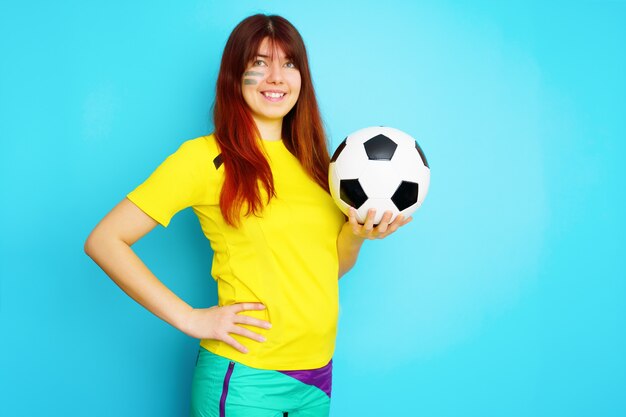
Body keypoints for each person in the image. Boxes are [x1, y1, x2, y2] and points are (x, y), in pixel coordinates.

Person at [84, 14, 411, 417]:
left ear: (302, 79)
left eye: (289, 64)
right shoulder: (204, 158)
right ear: (234, 77)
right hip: (246, 377)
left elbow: (324, 269)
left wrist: (358, 235)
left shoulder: (321, 167)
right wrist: (191, 319)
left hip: (317, 374)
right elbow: (104, 240)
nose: (276, 77)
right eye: (259, 63)